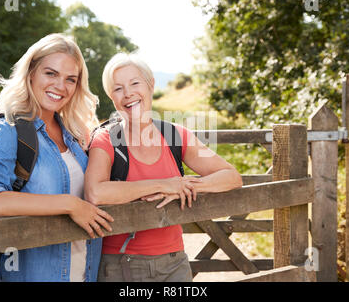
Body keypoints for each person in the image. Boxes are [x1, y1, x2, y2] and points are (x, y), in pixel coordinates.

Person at [85, 53, 243, 282]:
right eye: (118, 88)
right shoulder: (105, 139)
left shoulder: (176, 135)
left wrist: (185, 186)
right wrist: (163, 185)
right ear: (112, 97)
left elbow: (232, 177)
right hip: (122, 265)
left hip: (175, 261)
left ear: (150, 85)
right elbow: (95, 192)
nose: (128, 93)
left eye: (135, 83)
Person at [0, 33, 114, 282]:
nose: (61, 86)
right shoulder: (10, 127)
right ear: (31, 74)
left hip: (84, 273)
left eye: (70, 79)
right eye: (51, 74)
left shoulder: (74, 134)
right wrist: (71, 204)